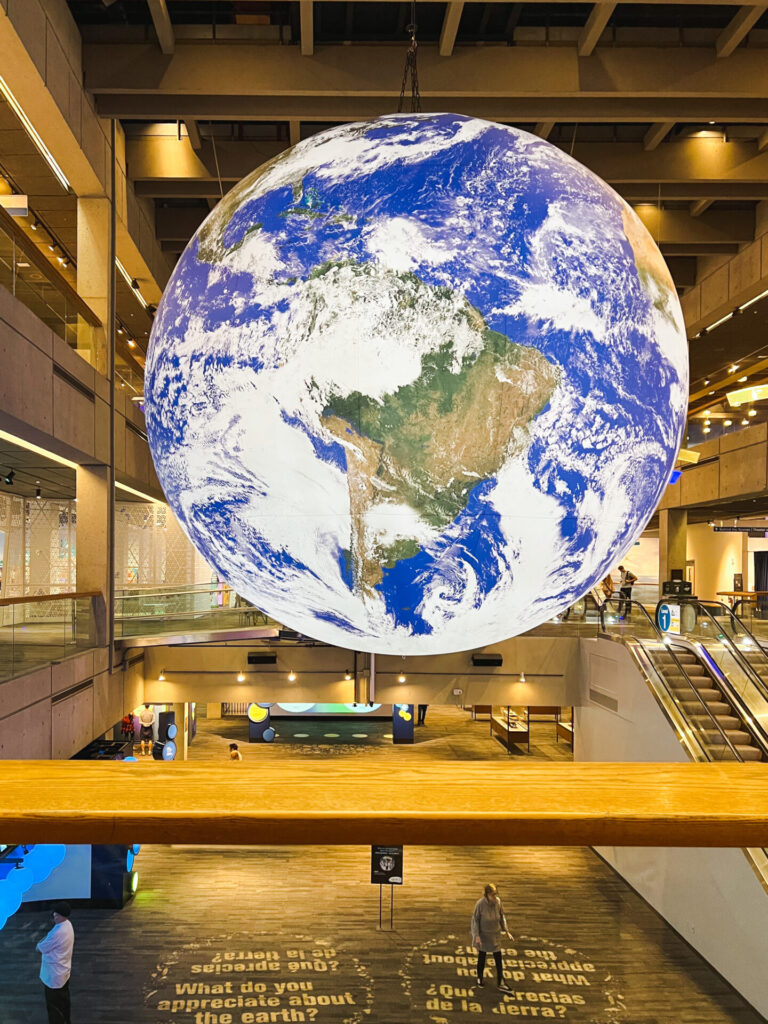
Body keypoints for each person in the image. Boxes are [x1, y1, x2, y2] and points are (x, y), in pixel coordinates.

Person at [36, 901, 74, 1024]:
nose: (54, 916)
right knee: (64, 1003)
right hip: (63, 973)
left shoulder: (57, 933)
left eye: (56, 914)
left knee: (54, 1008)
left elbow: (41, 947)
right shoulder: (68, 925)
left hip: (54, 977)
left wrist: (39, 944)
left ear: (61, 915)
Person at [471, 883, 510, 990]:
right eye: (492, 895)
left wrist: (506, 930)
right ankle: (480, 977)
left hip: (495, 935)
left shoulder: (498, 902)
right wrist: (477, 935)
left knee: (498, 958)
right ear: (487, 895)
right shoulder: (480, 904)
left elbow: (502, 916)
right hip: (484, 935)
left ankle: (500, 980)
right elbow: (475, 920)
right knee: (482, 957)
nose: (495, 897)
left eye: (495, 894)